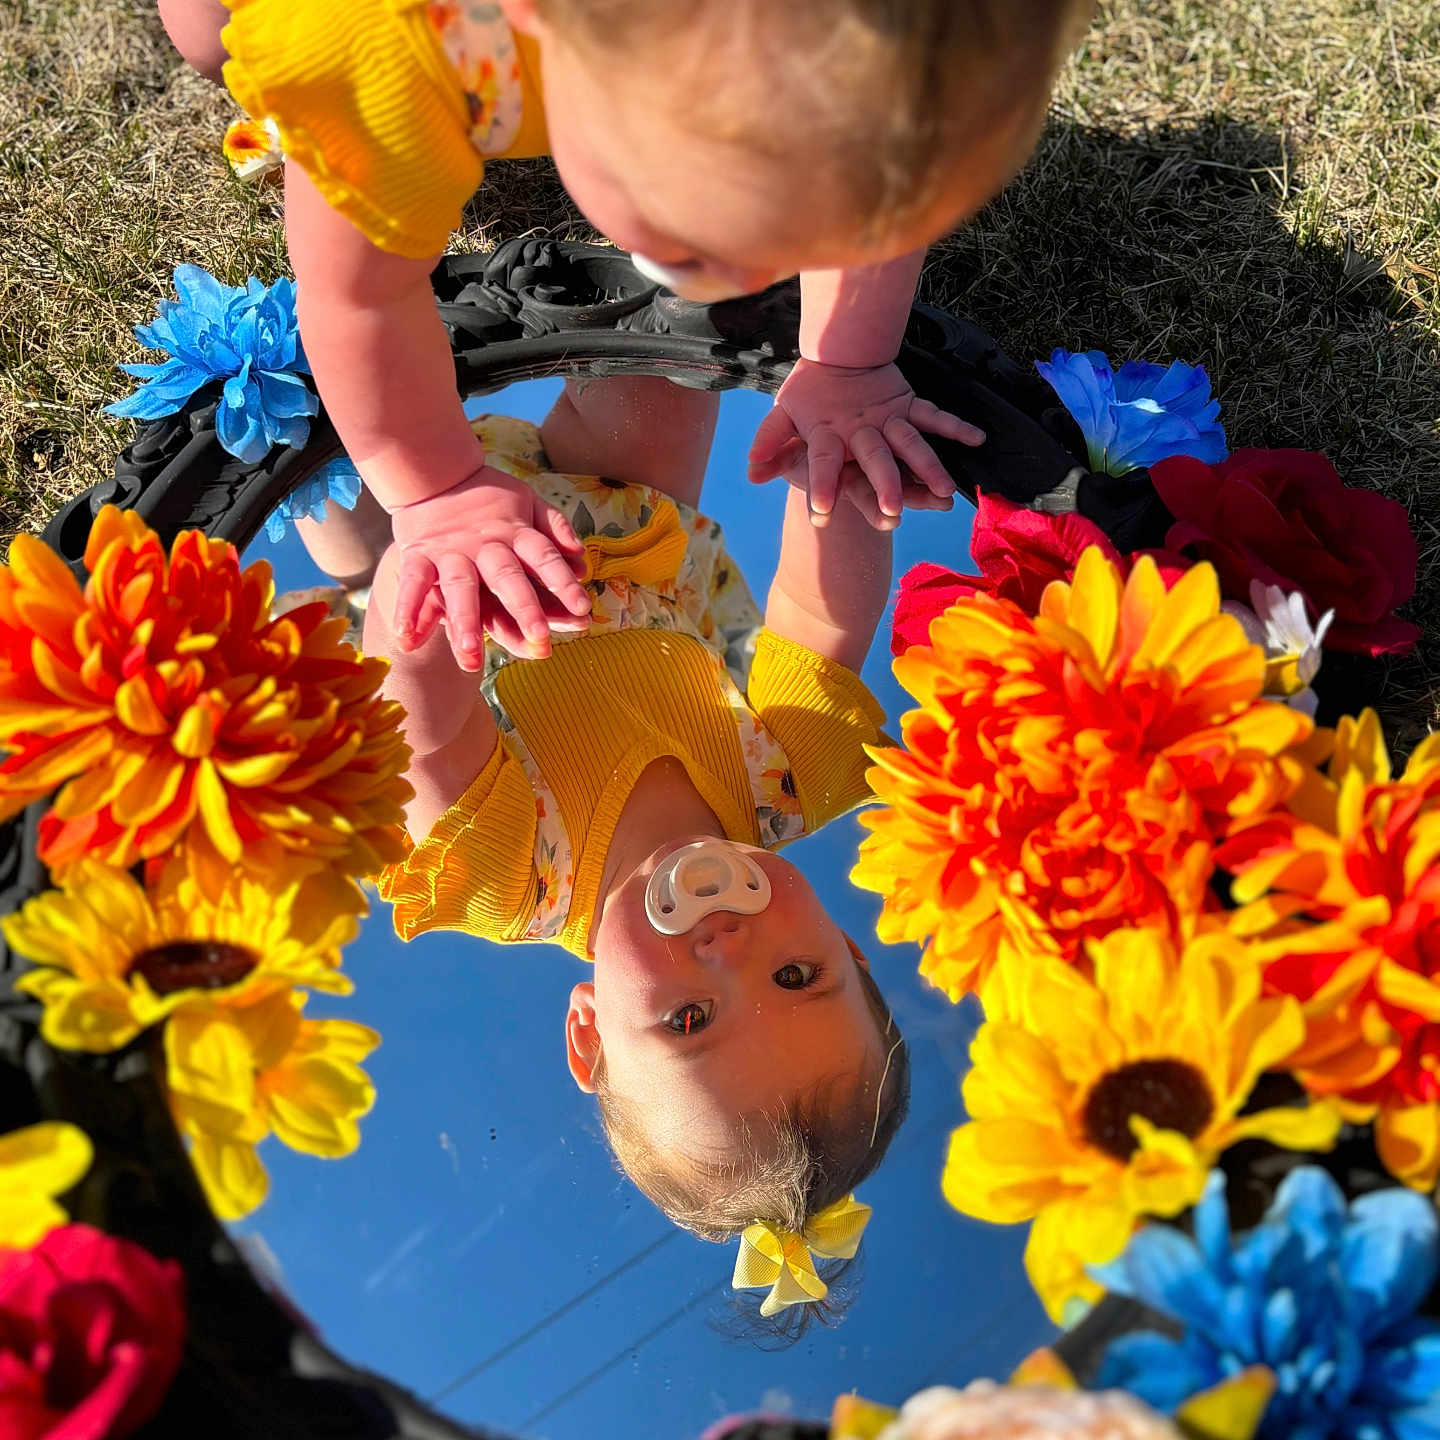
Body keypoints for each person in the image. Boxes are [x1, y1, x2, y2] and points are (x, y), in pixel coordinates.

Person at [157, 0, 1094, 668]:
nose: (739, 290)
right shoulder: (387, 50)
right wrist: (437, 491)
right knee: (211, 35)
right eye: (686, 246)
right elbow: (359, 299)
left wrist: (847, 359)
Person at [346, 374, 911, 1312]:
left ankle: (356, 469)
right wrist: (844, 467)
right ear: (844, 947)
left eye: (690, 1020)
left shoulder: (509, 876)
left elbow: (424, 733)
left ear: (590, 1031)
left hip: (435, 587)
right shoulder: (792, 783)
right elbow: (824, 620)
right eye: (798, 978)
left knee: (342, 487)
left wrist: (442, 531)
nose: (728, 951)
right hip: (617, 534)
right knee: (663, 388)